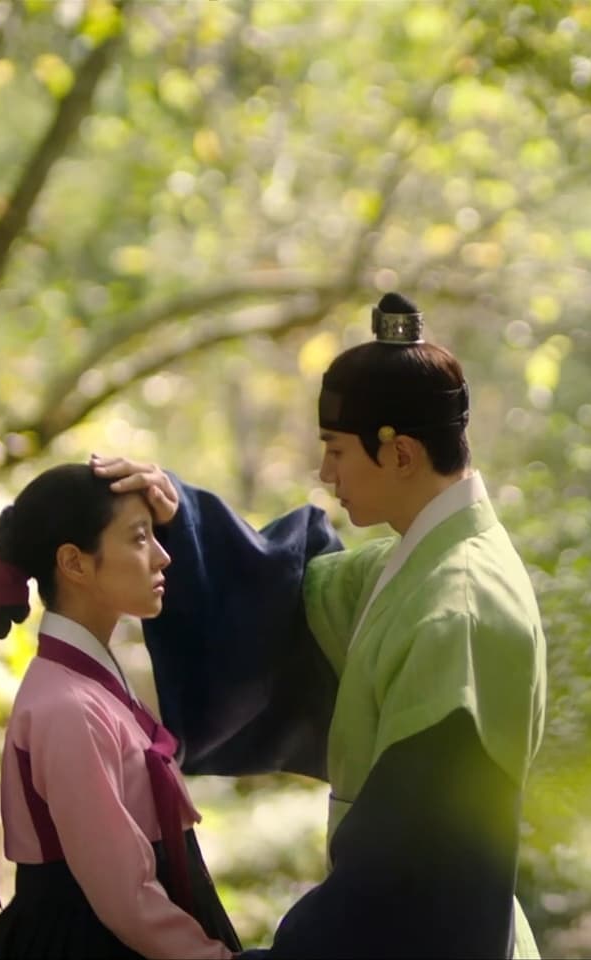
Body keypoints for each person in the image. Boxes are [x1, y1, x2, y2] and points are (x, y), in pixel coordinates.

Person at [94, 291, 548, 958]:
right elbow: (284, 589)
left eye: (336, 451)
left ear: (400, 454)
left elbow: (413, 855)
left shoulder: (455, 608)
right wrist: (178, 518)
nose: (325, 473)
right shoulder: (418, 564)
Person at [0, 462, 241, 959]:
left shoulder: (89, 683)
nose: (162, 556)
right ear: (74, 563)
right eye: (139, 538)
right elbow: (124, 895)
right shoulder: (68, 707)